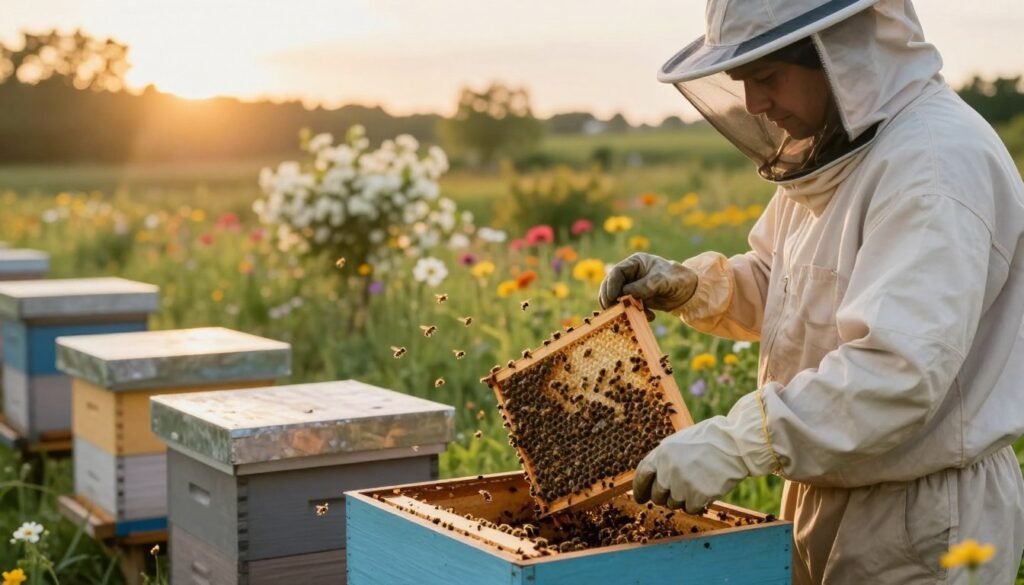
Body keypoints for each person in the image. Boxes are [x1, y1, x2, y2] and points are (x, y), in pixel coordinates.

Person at [598, 0, 1024, 583]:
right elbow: (788, 286)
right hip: (827, 486)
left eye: (767, 78)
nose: (754, 105)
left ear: (841, 54)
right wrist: (695, 286)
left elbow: (897, 372)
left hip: (920, 516)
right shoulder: (842, 149)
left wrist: (738, 441)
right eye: (742, 82)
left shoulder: (933, 166)